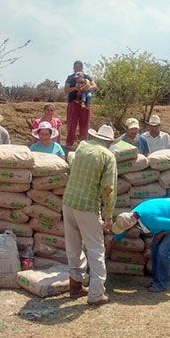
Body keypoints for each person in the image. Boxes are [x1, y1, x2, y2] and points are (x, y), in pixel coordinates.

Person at [62, 124, 117, 306]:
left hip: (68, 202)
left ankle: (75, 286)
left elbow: (71, 162)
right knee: (96, 250)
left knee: (73, 246)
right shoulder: (107, 156)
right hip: (87, 206)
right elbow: (108, 189)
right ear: (109, 142)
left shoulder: (83, 146)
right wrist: (108, 216)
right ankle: (96, 294)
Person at [110, 198, 170, 292]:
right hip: (165, 215)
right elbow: (119, 236)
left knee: (163, 251)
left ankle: (161, 284)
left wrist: (160, 235)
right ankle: (156, 280)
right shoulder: (130, 217)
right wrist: (107, 250)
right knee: (154, 246)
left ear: (131, 226)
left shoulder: (150, 221)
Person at [64, 60, 97, 149]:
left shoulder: (87, 77)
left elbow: (94, 86)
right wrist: (75, 87)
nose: (77, 68)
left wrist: (85, 88)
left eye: (79, 66)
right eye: (76, 66)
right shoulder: (70, 77)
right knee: (71, 125)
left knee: (84, 125)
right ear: (73, 67)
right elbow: (66, 89)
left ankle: (83, 147)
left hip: (85, 104)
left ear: (82, 67)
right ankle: (68, 146)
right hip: (73, 103)